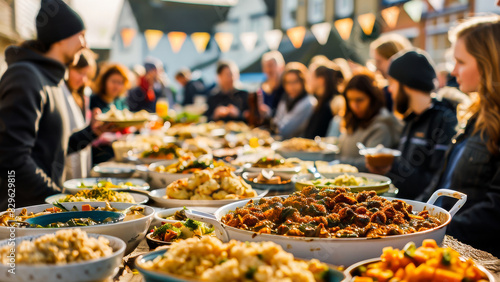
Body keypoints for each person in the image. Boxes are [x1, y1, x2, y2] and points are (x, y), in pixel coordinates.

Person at [0, 0, 109, 210]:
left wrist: (91, 133)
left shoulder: (53, 80)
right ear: (62, 37)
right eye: (81, 34)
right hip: (20, 217)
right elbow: (11, 158)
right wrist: (58, 201)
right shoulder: (25, 76)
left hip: (43, 212)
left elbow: (52, 149)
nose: (85, 44)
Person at [418, 15, 500, 256]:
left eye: (461, 62)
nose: (454, 71)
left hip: (474, 255)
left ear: (490, 63)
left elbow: (495, 209)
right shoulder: (476, 115)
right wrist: (411, 212)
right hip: (443, 243)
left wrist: (431, 228)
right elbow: (444, 183)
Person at [368, 50, 458, 200]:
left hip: (421, 212)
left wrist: (391, 166)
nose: (389, 89)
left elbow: (435, 182)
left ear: (407, 83)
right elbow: (406, 174)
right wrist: (385, 166)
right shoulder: (412, 119)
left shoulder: (444, 121)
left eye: (392, 83)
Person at [337, 72, 402, 168]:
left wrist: (336, 162)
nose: (354, 106)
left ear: (372, 98)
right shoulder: (353, 121)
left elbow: (370, 164)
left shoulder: (382, 126)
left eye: (359, 100)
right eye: (350, 100)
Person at [63, 49, 97, 180]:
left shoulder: (82, 94)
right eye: (79, 72)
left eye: (86, 75)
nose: (83, 79)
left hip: (80, 157)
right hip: (64, 163)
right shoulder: (61, 92)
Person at [90, 63, 131, 164]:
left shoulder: (120, 101)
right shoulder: (93, 101)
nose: (116, 86)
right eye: (113, 81)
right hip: (100, 155)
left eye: (120, 82)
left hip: (120, 152)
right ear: (104, 82)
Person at [272, 62, 317, 139]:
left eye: (295, 82)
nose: (291, 86)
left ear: (303, 82)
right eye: (288, 82)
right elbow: (276, 121)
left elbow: (286, 130)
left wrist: (273, 127)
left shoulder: (308, 102)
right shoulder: (286, 99)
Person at [370, 34, 412, 112]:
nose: (377, 68)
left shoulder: (409, 91)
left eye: (379, 62)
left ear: (394, 59)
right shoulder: (384, 91)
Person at [304, 65, 340, 139]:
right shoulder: (322, 102)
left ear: (321, 80)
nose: (308, 81)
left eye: (311, 78)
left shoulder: (330, 105)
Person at [259, 51, 285, 115]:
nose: (268, 70)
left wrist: (270, 112)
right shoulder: (263, 89)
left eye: (271, 65)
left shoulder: (286, 88)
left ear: (281, 67)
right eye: (266, 67)